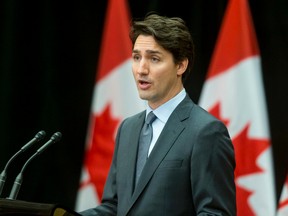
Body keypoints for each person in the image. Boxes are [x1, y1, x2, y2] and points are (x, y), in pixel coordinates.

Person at [79, 12, 236, 216]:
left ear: (180, 65)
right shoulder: (128, 128)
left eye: (154, 59)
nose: (141, 69)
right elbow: (115, 207)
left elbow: (216, 214)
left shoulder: (205, 131)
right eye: (136, 57)